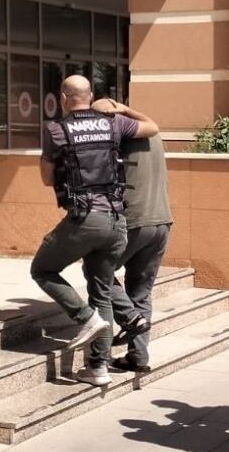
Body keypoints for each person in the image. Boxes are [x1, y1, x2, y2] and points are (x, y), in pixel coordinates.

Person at [32, 76, 158, 387]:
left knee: (42, 269)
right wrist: (122, 108)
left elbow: (47, 179)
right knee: (101, 291)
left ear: (64, 98)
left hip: (85, 219)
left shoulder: (56, 130)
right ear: (90, 96)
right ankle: (98, 367)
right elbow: (152, 127)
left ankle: (85, 318)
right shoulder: (114, 123)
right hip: (116, 221)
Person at [95, 98, 172, 373]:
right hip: (162, 221)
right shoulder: (153, 135)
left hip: (135, 222)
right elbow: (151, 122)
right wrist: (125, 109)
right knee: (141, 291)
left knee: (98, 270)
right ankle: (138, 357)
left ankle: (129, 317)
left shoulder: (118, 138)